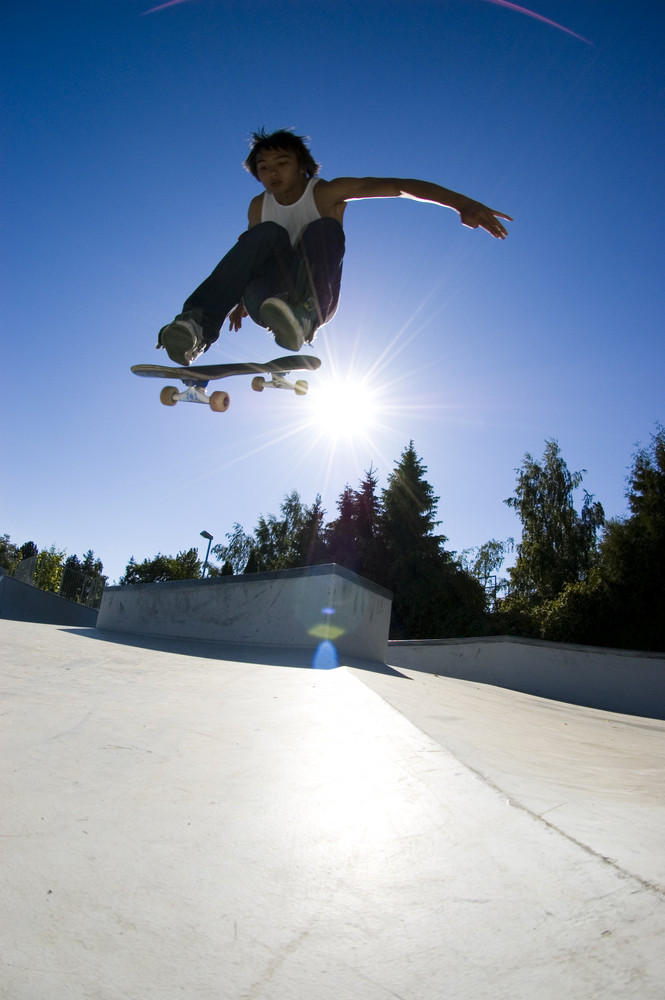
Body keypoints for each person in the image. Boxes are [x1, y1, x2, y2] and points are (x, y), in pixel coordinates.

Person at [157, 129, 512, 366]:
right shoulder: (257, 206)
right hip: (264, 297)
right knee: (264, 233)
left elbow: (398, 186)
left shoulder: (326, 192)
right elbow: (250, 256)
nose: (272, 173)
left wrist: (460, 203)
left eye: (282, 163)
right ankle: (196, 327)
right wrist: (237, 302)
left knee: (324, 227)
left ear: (303, 167)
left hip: (314, 297)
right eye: (264, 167)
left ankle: (300, 314)